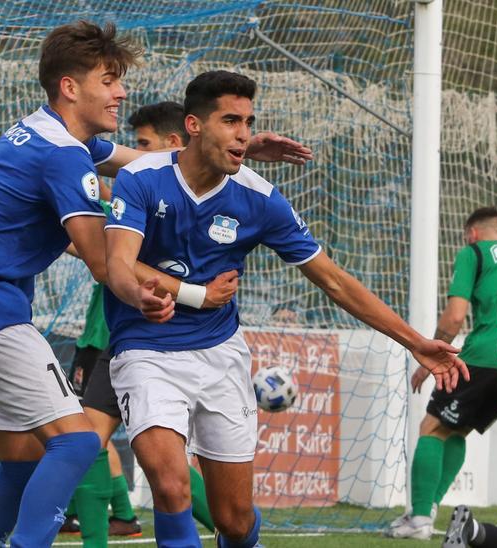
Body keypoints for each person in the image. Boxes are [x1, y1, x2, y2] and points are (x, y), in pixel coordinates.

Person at [0, 21, 312, 548]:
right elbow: (104, 259)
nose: (121, 92)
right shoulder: (64, 155)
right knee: (78, 441)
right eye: (109, 80)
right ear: (71, 87)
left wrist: (229, 148)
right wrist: (192, 293)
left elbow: (146, 161)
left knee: (23, 464)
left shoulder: (40, 132)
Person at [104, 70, 467, 548]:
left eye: (248, 123)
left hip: (219, 355)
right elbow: (117, 266)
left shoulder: (259, 200)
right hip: (145, 349)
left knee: (233, 521)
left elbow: (335, 283)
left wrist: (417, 342)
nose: (243, 134)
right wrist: (143, 296)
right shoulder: (141, 178)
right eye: (231, 120)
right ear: (193, 124)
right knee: (170, 486)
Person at [60, 101, 233, 543]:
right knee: (111, 448)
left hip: (131, 337)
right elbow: (95, 246)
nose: (133, 153)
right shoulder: (135, 195)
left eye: (142, 145)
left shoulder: (156, 196)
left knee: (86, 440)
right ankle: (125, 519)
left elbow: (107, 254)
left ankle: (227, 528)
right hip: (110, 333)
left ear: (175, 144)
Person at [386, 207, 497, 540]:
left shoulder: (473, 252)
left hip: (484, 356)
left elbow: (454, 317)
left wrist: (428, 355)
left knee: (432, 426)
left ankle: (420, 518)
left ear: (472, 233)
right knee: (457, 431)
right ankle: (426, 510)